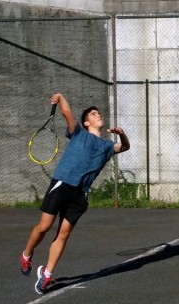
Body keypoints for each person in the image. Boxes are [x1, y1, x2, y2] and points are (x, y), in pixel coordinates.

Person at [20, 93, 130, 294]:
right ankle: (27, 254)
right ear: (87, 122)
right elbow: (66, 112)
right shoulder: (78, 132)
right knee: (44, 227)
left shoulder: (106, 147)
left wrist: (121, 133)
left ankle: (46, 275)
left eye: (99, 113)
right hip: (62, 184)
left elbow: (125, 146)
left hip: (80, 194)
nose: (98, 116)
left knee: (63, 234)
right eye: (94, 114)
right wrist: (60, 97)